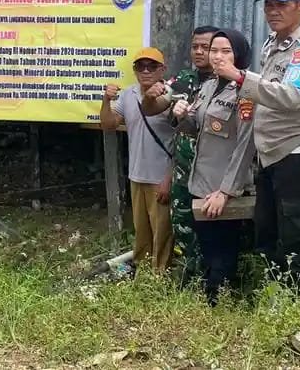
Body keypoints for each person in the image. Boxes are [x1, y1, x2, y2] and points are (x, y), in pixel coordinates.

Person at [213, 0, 300, 289]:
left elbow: (292, 97)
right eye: (268, 4)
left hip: (292, 153)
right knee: (266, 230)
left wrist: (240, 79)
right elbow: (266, 89)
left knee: (294, 232)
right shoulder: (273, 43)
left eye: (282, 4)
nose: (273, 11)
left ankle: (292, 298)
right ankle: (272, 290)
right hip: (268, 153)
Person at [171, 30, 256, 305]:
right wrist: (182, 116)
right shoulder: (209, 86)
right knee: (207, 247)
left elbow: (246, 146)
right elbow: (196, 129)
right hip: (201, 183)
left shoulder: (246, 91)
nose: (217, 57)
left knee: (224, 249)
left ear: (239, 55)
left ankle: (220, 304)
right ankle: (209, 299)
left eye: (226, 51)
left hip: (224, 189)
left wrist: (226, 191)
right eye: (214, 51)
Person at [142, 26, 217, 284]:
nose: (198, 51)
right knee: (183, 223)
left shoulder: (228, 82)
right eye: (195, 46)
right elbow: (152, 109)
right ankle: (190, 278)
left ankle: (215, 281)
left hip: (214, 171)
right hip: (183, 168)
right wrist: (150, 97)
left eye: (204, 47)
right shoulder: (183, 81)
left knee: (214, 226)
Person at [100, 47, 175, 272]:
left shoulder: (170, 94)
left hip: (160, 176)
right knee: (142, 232)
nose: (145, 70)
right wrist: (106, 100)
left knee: (162, 233)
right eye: (140, 66)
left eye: (151, 66)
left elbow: (180, 139)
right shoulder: (128, 94)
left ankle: (161, 278)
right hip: (137, 175)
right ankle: (143, 275)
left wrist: (168, 178)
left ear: (162, 69)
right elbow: (109, 124)